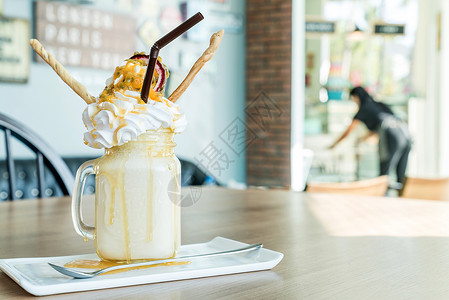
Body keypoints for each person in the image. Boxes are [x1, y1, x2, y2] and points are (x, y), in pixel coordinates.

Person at [329, 86, 412, 186]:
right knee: (400, 175)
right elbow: (378, 127)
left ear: (356, 97)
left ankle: (382, 199)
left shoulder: (364, 108)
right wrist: (362, 139)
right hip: (405, 132)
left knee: (384, 174)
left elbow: (348, 131)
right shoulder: (378, 104)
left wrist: (334, 145)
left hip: (390, 133)